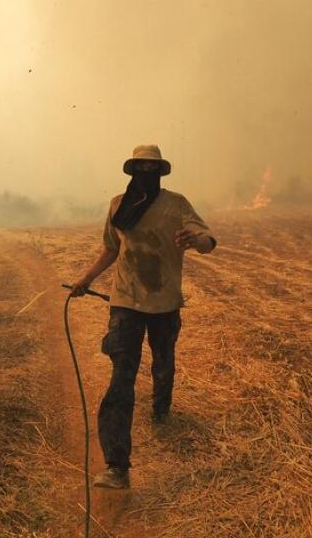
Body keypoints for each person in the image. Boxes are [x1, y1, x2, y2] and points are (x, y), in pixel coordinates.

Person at [70, 144, 217, 490]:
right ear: (132, 170)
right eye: (141, 168)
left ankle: (161, 409)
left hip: (165, 302)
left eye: (152, 169)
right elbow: (110, 247)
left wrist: (196, 240)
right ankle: (116, 466)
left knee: (163, 362)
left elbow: (209, 240)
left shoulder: (177, 204)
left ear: (161, 172)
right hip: (125, 303)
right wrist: (86, 279)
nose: (146, 174)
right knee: (122, 376)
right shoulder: (118, 206)